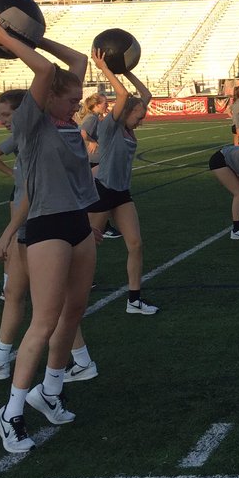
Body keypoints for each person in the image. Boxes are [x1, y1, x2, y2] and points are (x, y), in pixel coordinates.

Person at [0, 24, 99, 455]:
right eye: (71, 98)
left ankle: (49, 391)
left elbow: (74, 61)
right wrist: (5, 37)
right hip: (46, 227)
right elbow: (42, 70)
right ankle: (10, 413)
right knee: (43, 321)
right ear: (49, 96)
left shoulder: (65, 119)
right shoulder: (31, 122)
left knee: (73, 313)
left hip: (78, 222)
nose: (78, 102)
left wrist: (37, 38)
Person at [0, 89, 97, 385]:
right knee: (49, 303)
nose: (1, 121)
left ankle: (4, 363)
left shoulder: (32, 133)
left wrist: (8, 234)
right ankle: (80, 361)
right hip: (41, 223)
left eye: (5, 115)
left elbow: (32, 194)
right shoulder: (28, 134)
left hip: (35, 226)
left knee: (23, 298)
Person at [87, 49, 157, 315]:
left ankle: (134, 300)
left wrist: (126, 68)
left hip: (121, 193)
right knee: (88, 247)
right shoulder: (109, 126)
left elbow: (144, 95)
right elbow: (125, 96)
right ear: (125, 112)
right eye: (139, 115)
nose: (142, 118)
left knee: (136, 244)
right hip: (102, 191)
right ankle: (70, 288)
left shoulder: (127, 127)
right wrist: (105, 68)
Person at [79, 93, 122, 239]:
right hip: (93, 159)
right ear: (96, 104)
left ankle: (101, 225)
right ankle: (103, 227)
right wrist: (92, 141)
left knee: (99, 193)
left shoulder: (95, 117)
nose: (107, 105)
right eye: (105, 103)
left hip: (95, 158)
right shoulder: (91, 117)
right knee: (101, 193)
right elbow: (82, 134)